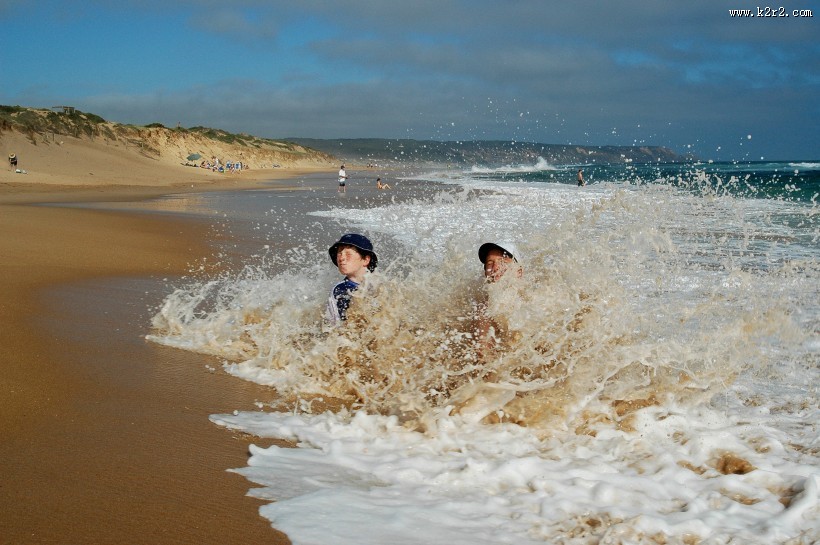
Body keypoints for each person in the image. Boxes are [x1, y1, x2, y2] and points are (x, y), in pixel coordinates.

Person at [326, 233, 378, 324]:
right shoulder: (340, 290)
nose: (341, 258)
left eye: (348, 254)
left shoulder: (379, 285)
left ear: (366, 260)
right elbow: (336, 327)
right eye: (339, 253)